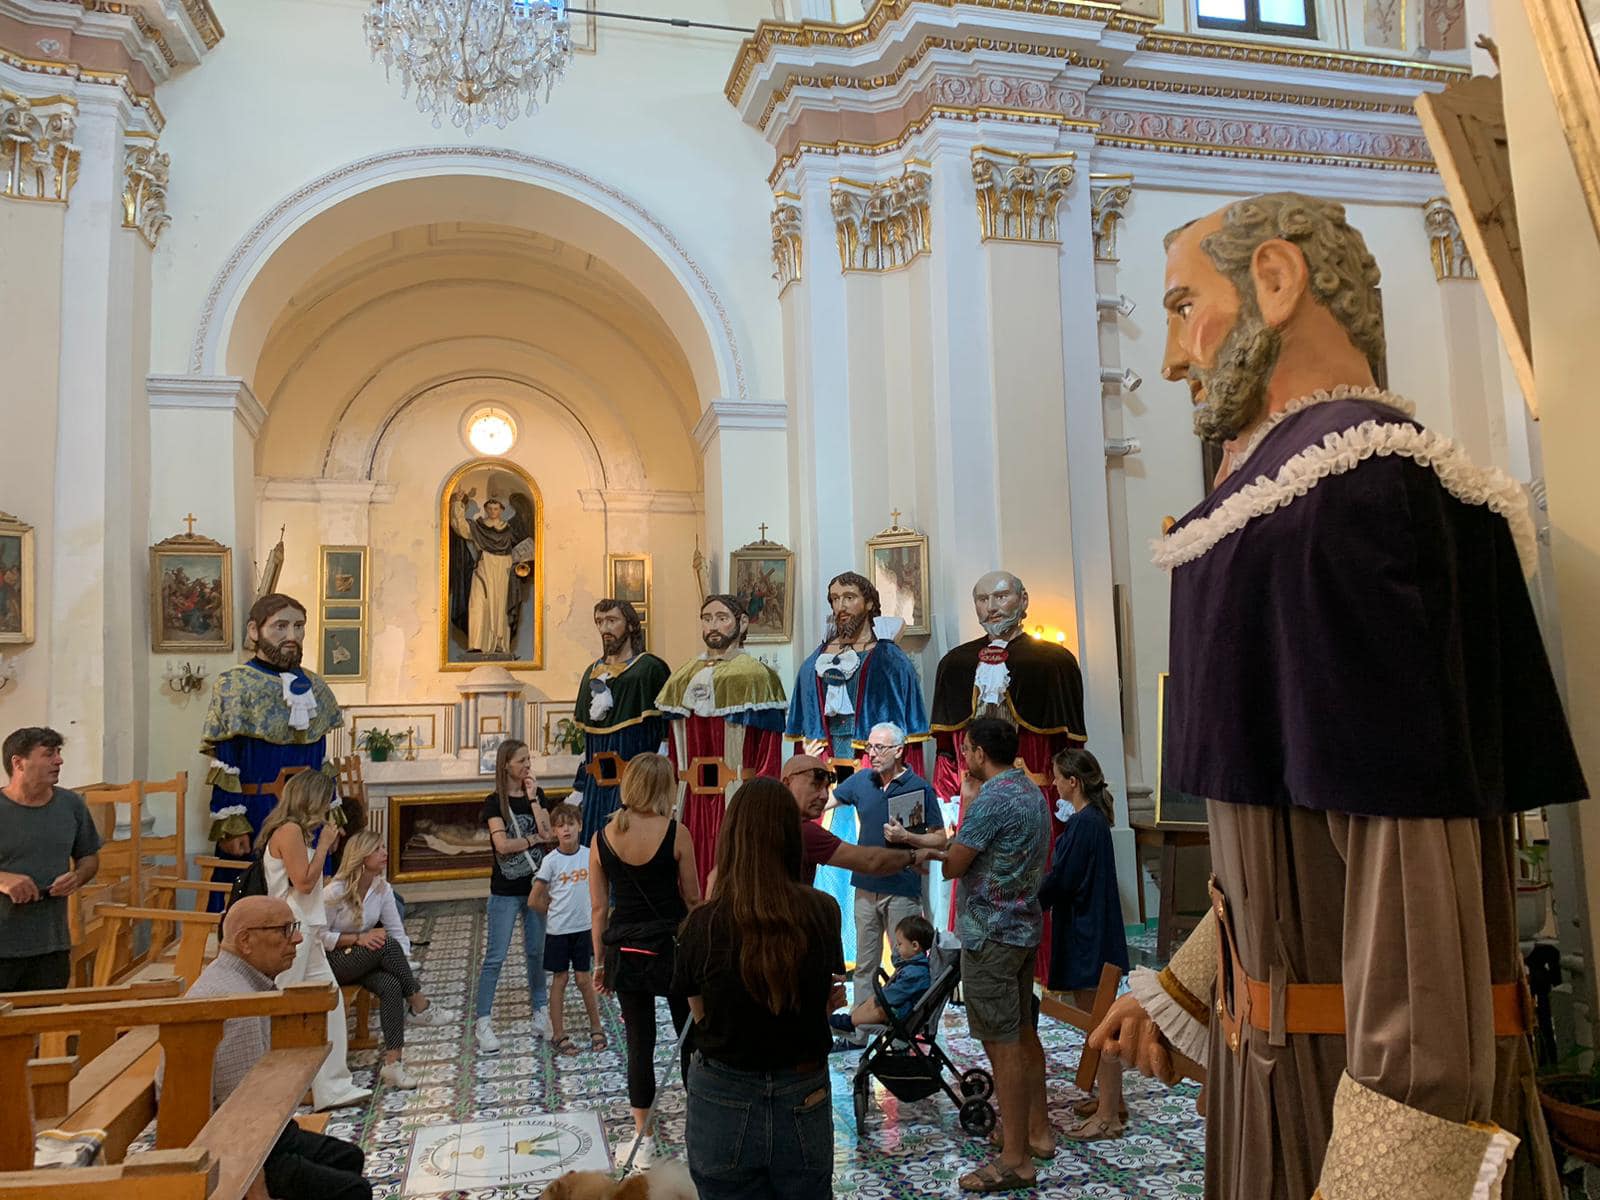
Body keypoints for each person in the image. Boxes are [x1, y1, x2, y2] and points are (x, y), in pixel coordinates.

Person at [1089, 193, 1588, 1199]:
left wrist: (1387, 1178)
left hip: (1351, 1101)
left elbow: (1412, 900)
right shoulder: (1289, 502)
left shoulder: (1363, 497)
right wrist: (1186, 987)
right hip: (1272, 1068)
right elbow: (1291, 841)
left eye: (1185, 306)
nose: (1175, 357)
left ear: (1275, 282)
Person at [675, 777, 844, 1200]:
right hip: (802, 1090)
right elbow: (824, 1005)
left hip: (723, 1094)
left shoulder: (703, 924)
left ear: (731, 837)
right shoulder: (823, 912)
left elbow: (700, 1014)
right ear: (791, 837)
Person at [930, 572, 1086, 975]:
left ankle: (1042, 968)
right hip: (975, 798)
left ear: (1024, 599)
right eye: (981, 598)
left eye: (1001, 595)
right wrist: (949, 801)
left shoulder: (1053, 663)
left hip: (1036, 800)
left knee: (1034, 884)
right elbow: (947, 752)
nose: (991, 606)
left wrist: (1071, 804)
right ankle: (975, 964)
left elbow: (1068, 749)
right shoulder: (955, 664)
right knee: (976, 882)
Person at [182, 895, 372, 1200]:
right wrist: (258, 1192)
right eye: (284, 930)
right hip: (226, 1148)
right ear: (246, 941)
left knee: (349, 1157)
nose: (297, 938)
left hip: (263, 1131)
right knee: (353, 1191)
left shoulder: (244, 980)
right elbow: (240, 1115)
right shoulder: (236, 1002)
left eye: (294, 927)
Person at [935, 716, 1052, 1191]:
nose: (964, 757)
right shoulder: (1029, 792)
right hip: (1023, 929)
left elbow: (954, 865)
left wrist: (964, 807)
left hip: (991, 936)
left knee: (1001, 1044)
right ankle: (1038, 1132)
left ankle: (1016, 1160)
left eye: (966, 750)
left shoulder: (990, 800)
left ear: (981, 752)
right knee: (1023, 1033)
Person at [589, 752, 699, 1171]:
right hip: (672, 949)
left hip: (625, 953)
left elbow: (599, 910)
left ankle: (643, 1139)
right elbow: (690, 900)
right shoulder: (677, 833)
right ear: (664, 788)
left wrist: (601, 964)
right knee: (690, 1039)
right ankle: (699, 1128)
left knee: (640, 1044)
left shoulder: (602, 837)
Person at [656, 594, 787, 893]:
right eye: (707, 618)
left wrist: (761, 806)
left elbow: (768, 753)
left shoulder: (757, 677)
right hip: (690, 802)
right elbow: (674, 754)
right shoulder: (681, 678)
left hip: (736, 798)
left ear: (741, 623)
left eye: (722, 618)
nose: (713, 625)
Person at [259, 769, 370, 1110]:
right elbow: (304, 883)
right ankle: (269, 1083)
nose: (329, 806)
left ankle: (334, 1086)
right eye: (326, 800)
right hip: (292, 928)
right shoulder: (289, 832)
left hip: (308, 926)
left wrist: (322, 845)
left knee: (331, 1003)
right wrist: (323, 846)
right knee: (285, 1004)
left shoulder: (298, 833)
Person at [827, 722, 942, 1044]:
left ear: (899, 751)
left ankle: (904, 1034)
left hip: (902, 887)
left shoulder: (918, 787)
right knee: (865, 962)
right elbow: (825, 803)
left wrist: (906, 837)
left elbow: (941, 838)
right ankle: (859, 1033)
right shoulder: (862, 780)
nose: (872, 754)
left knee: (906, 962)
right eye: (869, 748)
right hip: (865, 885)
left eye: (879, 748)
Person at [199, 593, 345, 842]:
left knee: (311, 879)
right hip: (258, 814)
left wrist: (331, 815)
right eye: (281, 626)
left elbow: (322, 763)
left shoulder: (316, 687)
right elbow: (226, 762)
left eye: (298, 627)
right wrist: (233, 824)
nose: (292, 636)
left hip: (311, 818)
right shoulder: (235, 684)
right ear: (254, 631)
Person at [1038, 748, 1129, 1142]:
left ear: (1073, 782)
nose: (1054, 784)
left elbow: (1064, 880)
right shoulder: (1090, 821)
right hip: (1091, 931)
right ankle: (1113, 1101)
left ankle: (1109, 1116)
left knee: (1102, 1026)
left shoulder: (1084, 824)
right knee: (1098, 1021)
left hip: (1088, 937)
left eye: (1058, 778)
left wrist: (1027, 900)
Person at [323, 830, 454, 1089]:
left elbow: (397, 931)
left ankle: (394, 1063)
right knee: (384, 942)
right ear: (361, 857)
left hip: (365, 959)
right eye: (377, 849)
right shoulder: (334, 892)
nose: (385, 853)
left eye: (384, 847)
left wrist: (400, 964)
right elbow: (318, 937)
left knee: (392, 985)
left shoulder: (382, 889)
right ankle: (419, 1003)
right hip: (332, 961)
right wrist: (357, 939)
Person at [787, 571, 930, 774]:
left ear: (869, 603)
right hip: (826, 757)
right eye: (835, 599)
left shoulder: (890, 660)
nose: (841, 606)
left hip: (871, 759)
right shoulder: (815, 662)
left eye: (849, 597)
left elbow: (906, 728)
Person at [0, 727, 100, 992]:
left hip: (51, 945)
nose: (59, 760)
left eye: (58, 753)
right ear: (19, 763)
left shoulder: (71, 805)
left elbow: (89, 857)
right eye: (48, 754)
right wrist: (3, 879)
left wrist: (77, 877)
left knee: (45, 1027)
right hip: (3, 945)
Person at [476, 737, 555, 1052]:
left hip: (535, 888)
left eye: (528, 760)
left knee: (537, 953)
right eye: (521, 760)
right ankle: (483, 1021)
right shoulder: (494, 802)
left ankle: (539, 1010)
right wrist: (534, 838)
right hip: (505, 892)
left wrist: (534, 800)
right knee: (496, 956)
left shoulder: (537, 795)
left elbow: (549, 833)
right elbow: (502, 846)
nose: (527, 765)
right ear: (506, 764)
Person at [573, 599, 670, 846]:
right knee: (595, 849)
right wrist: (580, 786)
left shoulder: (649, 668)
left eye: (612, 621)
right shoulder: (591, 672)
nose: (605, 628)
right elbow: (588, 741)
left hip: (635, 784)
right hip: (597, 787)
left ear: (630, 625)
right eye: (599, 622)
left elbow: (665, 733)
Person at [779, 754, 933, 889]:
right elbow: (870, 861)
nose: (824, 796)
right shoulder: (803, 831)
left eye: (827, 787)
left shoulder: (769, 818)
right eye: (816, 785)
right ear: (787, 783)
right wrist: (915, 855)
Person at [530, 803, 604, 1056]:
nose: (566, 830)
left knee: (585, 979)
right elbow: (534, 899)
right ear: (554, 832)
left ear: (580, 825)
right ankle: (559, 1034)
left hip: (583, 929)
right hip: (559, 931)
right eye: (560, 826)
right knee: (560, 979)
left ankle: (596, 1026)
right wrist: (553, 912)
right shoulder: (551, 861)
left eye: (570, 824)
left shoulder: (589, 854)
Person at [828, 913, 934, 1045]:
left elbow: (896, 994)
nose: (897, 948)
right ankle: (849, 1021)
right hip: (902, 1008)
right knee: (872, 1002)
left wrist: (880, 997)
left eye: (900, 944)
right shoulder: (912, 965)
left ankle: (849, 1022)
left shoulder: (915, 973)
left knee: (878, 1010)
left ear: (915, 946)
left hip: (903, 1014)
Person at [448, 492, 530, 657]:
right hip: (484, 566)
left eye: (496, 508)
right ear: (486, 509)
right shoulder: (478, 527)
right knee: (477, 603)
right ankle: (476, 644)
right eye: (490, 508)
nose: (493, 511)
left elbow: (526, 544)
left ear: (501, 510)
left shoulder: (508, 530)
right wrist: (458, 504)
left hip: (504, 568)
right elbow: (460, 527)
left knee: (501, 606)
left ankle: (500, 644)